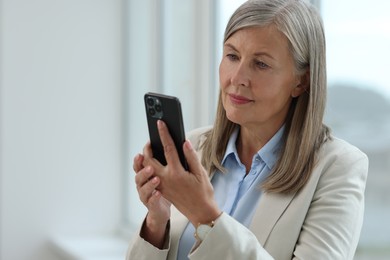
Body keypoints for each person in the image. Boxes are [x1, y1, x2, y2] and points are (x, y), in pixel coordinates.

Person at [126, 0, 368, 259]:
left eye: (261, 64)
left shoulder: (337, 168)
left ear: (301, 81)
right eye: (232, 56)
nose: (237, 78)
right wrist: (156, 221)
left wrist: (206, 217)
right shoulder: (194, 146)